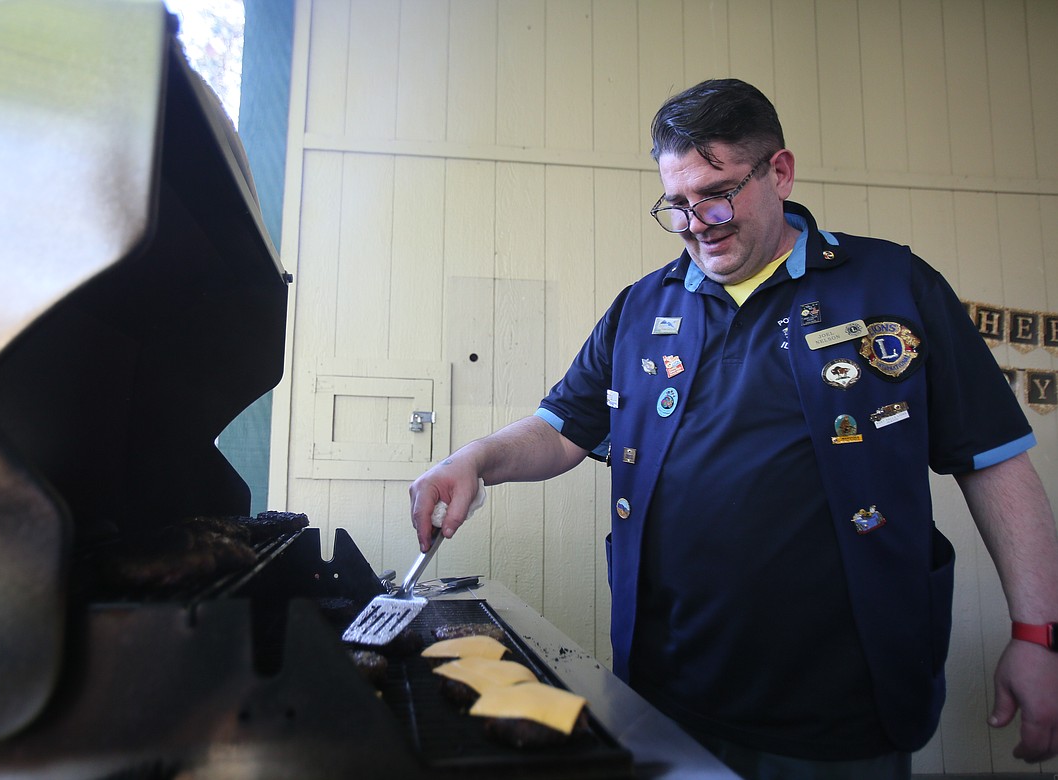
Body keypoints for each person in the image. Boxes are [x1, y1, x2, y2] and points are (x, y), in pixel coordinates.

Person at [408, 78, 1058, 779]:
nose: (697, 223)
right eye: (676, 204)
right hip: (667, 689)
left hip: (844, 705)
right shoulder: (641, 308)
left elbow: (995, 462)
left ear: (778, 172)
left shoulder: (893, 286)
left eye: (716, 193)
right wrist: (477, 457)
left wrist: (1037, 635)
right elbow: (563, 427)